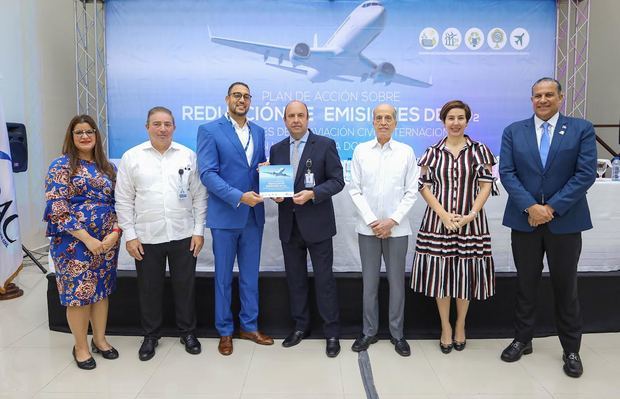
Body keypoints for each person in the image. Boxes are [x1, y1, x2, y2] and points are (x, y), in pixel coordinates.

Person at [499, 78, 596, 378]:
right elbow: (507, 172)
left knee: (565, 287)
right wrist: (531, 207)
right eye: (537, 96)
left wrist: (550, 209)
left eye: (548, 95)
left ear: (560, 98)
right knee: (525, 284)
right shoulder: (514, 131)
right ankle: (522, 339)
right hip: (524, 221)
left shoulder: (581, 129)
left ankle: (571, 348)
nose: (542, 100)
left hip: (565, 222)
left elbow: (585, 174)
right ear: (531, 99)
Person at [115, 106, 207, 361]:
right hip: (146, 237)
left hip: (183, 234)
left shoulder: (188, 156)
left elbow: (199, 196)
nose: (162, 128)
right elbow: (123, 200)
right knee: (149, 289)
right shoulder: (131, 157)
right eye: (157, 124)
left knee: (185, 287)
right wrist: (130, 236)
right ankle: (151, 335)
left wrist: (198, 231)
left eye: (167, 124)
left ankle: (188, 332)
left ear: (174, 127)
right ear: (147, 127)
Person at [411, 100, 498, 354]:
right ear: (443, 121)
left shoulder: (480, 150)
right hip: (438, 223)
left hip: (471, 224)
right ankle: (445, 327)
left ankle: (460, 325)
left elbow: (485, 185)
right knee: (441, 276)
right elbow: (423, 186)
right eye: (451, 118)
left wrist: (470, 215)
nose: (456, 122)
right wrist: (443, 214)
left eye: (461, 118)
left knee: (464, 275)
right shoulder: (432, 152)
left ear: (467, 121)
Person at [197, 82, 274, 356]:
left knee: (250, 276)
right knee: (223, 277)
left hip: (254, 216)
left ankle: (249, 326)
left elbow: (258, 169)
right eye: (237, 95)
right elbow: (207, 174)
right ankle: (225, 331)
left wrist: (272, 182)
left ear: (250, 101)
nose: (242, 100)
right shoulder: (209, 130)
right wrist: (239, 196)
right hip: (226, 215)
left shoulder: (259, 132)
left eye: (246, 96)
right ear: (227, 99)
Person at [44, 115, 120, 370]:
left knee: (100, 291)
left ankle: (100, 340)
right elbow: (57, 208)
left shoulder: (108, 168)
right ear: (72, 136)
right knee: (79, 294)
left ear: (97, 135)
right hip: (73, 242)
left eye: (90, 131)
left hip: (106, 242)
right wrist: (87, 239)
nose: (85, 136)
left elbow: (120, 203)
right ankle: (81, 346)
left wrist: (114, 234)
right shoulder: (61, 166)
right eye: (79, 132)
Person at [269, 100, 344, 357]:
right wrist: (275, 195)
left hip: (318, 225)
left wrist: (313, 194)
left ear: (308, 118)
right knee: (296, 280)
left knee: (325, 282)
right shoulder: (276, 149)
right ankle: (300, 326)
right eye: (291, 116)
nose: (296, 120)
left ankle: (332, 332)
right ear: (285, 120)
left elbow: (337, 181)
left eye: (300, 115)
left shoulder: (324, 144)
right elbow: (277, 187)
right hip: (289, 226)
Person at [348, 103, 418, 356]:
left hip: (397, 230)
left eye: (388, 118)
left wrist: (392, 221)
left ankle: (397, 334)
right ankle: (369, 332)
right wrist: (372, 220)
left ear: (396, 123)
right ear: (373, 122)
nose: (384, 122)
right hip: (368, 229)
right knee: (369, 283)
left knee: (397, 283)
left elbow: (412, 191)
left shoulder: (406, 152)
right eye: (379, 118)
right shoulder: (361, 150)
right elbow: (354, 189)